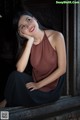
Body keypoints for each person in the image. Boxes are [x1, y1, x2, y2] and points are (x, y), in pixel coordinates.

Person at [0, 11, 66, 107]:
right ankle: (8, 101)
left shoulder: (56, 36)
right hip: (35, 87)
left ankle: (7, 101)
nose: (28, 25)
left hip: (51, 91)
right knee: (14, 77)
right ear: (21, 33)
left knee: (13, 97)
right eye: (22, 26)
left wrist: (38, 85)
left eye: (28, 20)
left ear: (35, 19)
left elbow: (62, 69)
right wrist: (30, 41)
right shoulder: (28, 44)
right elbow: (20, 70)